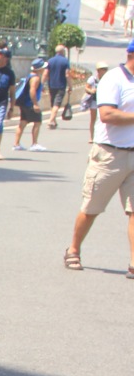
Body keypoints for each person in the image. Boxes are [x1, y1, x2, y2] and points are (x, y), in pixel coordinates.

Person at [64, 38, 134, 278]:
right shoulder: (114, 79)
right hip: (109, 154)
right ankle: (73, 248)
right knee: (91, 208)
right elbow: (106, 114)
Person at [12, 58, 47, 152]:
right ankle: (34, 143)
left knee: (23, 122)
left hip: (24, 103)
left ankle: (16, 144)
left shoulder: (29, 76)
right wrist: (35, 104)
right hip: (30, 103)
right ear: (39, 69)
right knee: (37, 122)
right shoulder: (36, 78)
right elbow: (32, 91)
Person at [81, 61, 108, 143]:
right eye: (103, 69)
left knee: (103, 119)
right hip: (94, 100)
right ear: (98, 70)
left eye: (105, 69)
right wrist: (92, 90)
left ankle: (101, 137)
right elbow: (86, 88)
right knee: (93, 119)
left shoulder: (108, 79)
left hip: (104, 101)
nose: (104, 71)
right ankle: (91, 137)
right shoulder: (93, 79)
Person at [45, 44, 70, 129]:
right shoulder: (65, 61)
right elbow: (67, 74)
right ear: (62, 51)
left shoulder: (50, 60)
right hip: (61, 85)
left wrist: (42, 83)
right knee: (56, 104)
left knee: (53, 103)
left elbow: (46, 73)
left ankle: (54, 121)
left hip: (51, 84)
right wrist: (70, 85)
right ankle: (50, 120)